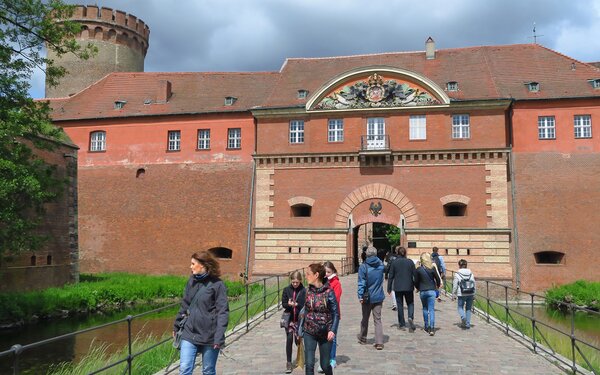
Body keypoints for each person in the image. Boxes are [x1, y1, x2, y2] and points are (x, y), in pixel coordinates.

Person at [173, 251, 229, 375]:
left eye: (193, 264)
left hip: (210, 335)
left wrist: (219, 337)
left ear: (203, 265)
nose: (190, 267)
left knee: (208, 371)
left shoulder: (217, 285)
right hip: (189, 333)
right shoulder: (191, 281)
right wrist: (176, 326)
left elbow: (223, 312)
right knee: (184, 368)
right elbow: (185, 305)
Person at [300, 263, 339, 375]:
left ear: (316, 275)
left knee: (325, 365)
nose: (306, 276)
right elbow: (304, 311)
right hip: (309, 331)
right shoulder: (307, 291)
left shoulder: (329, 292)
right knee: (309, 364)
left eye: (308, 274)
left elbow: (335, 313)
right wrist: (300, 328)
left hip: (325, 332)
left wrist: (333, 330)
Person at [357, 246, 385, 350]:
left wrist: (360, 295)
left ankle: (363, 337)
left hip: (367, 297)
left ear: (367, 255)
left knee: (365, 318)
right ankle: (379, 342)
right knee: (377, 319)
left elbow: (361, 283)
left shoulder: (363, 267)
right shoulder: (381, 265)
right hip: (378, 296)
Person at [387, 246, 417, 331]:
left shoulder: (394, 262)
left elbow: (391, 276)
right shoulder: (410, 262)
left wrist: (389, 288)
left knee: (400, 305)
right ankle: (410, 317)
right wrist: (416, 285)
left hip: (398, 287)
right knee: (410, 303)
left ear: (397, 253)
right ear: (405, 253)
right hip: (409, 286)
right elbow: (415, 275)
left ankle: (402, 324)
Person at [282, 271, 306, 373]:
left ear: (300, 281)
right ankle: (288, 362)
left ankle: (302, 356)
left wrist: (297, 305)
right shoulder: (286, 290)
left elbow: (305, 305)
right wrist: (289, 304)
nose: (295, 284)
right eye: (293, 282)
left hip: (299, 320)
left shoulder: (304, 291)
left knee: (298, 340)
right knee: (289, 339)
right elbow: (283, 304)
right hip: (290, 319)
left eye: (297, 282)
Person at [414, 252, 441, 336]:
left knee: (425, 309)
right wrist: (437, 286)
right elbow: (438, 279)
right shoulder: (432, 268)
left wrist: (418, 288)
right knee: (431, 309)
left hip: (423, 291)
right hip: (432, 291)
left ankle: (426, 326)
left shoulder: (418, 269)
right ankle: (432, 328)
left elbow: (416, 281)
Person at [323, 261, 342, 370]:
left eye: (328, 272)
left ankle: (332, 359)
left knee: (332, 338)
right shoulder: (321, 282)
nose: (326, 274)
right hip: (322, 315)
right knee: (323, 338)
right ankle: (324, 360)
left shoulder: (336, 283)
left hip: (333, 315)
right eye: (325, 272)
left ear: (333, 271)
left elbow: (336, 300)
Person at [452, 259, 476, 329]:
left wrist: (453, 294)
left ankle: (463, 317)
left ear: (459, 265)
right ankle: (467, 324)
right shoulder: (471, 273)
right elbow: (474, 284)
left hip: (461, 293)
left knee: (460, 307)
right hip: (470, 293)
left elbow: (455, 285)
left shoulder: (457, 274)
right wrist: (474, 293)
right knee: (468, 309)